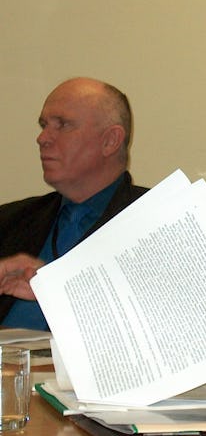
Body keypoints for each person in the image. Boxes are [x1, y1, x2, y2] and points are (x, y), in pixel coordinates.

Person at [0, 77, 148, 329]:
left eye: (63, 125)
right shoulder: (11, 220)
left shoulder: (157, 220)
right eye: (44, 125)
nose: (43, 138)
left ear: (110, 141)